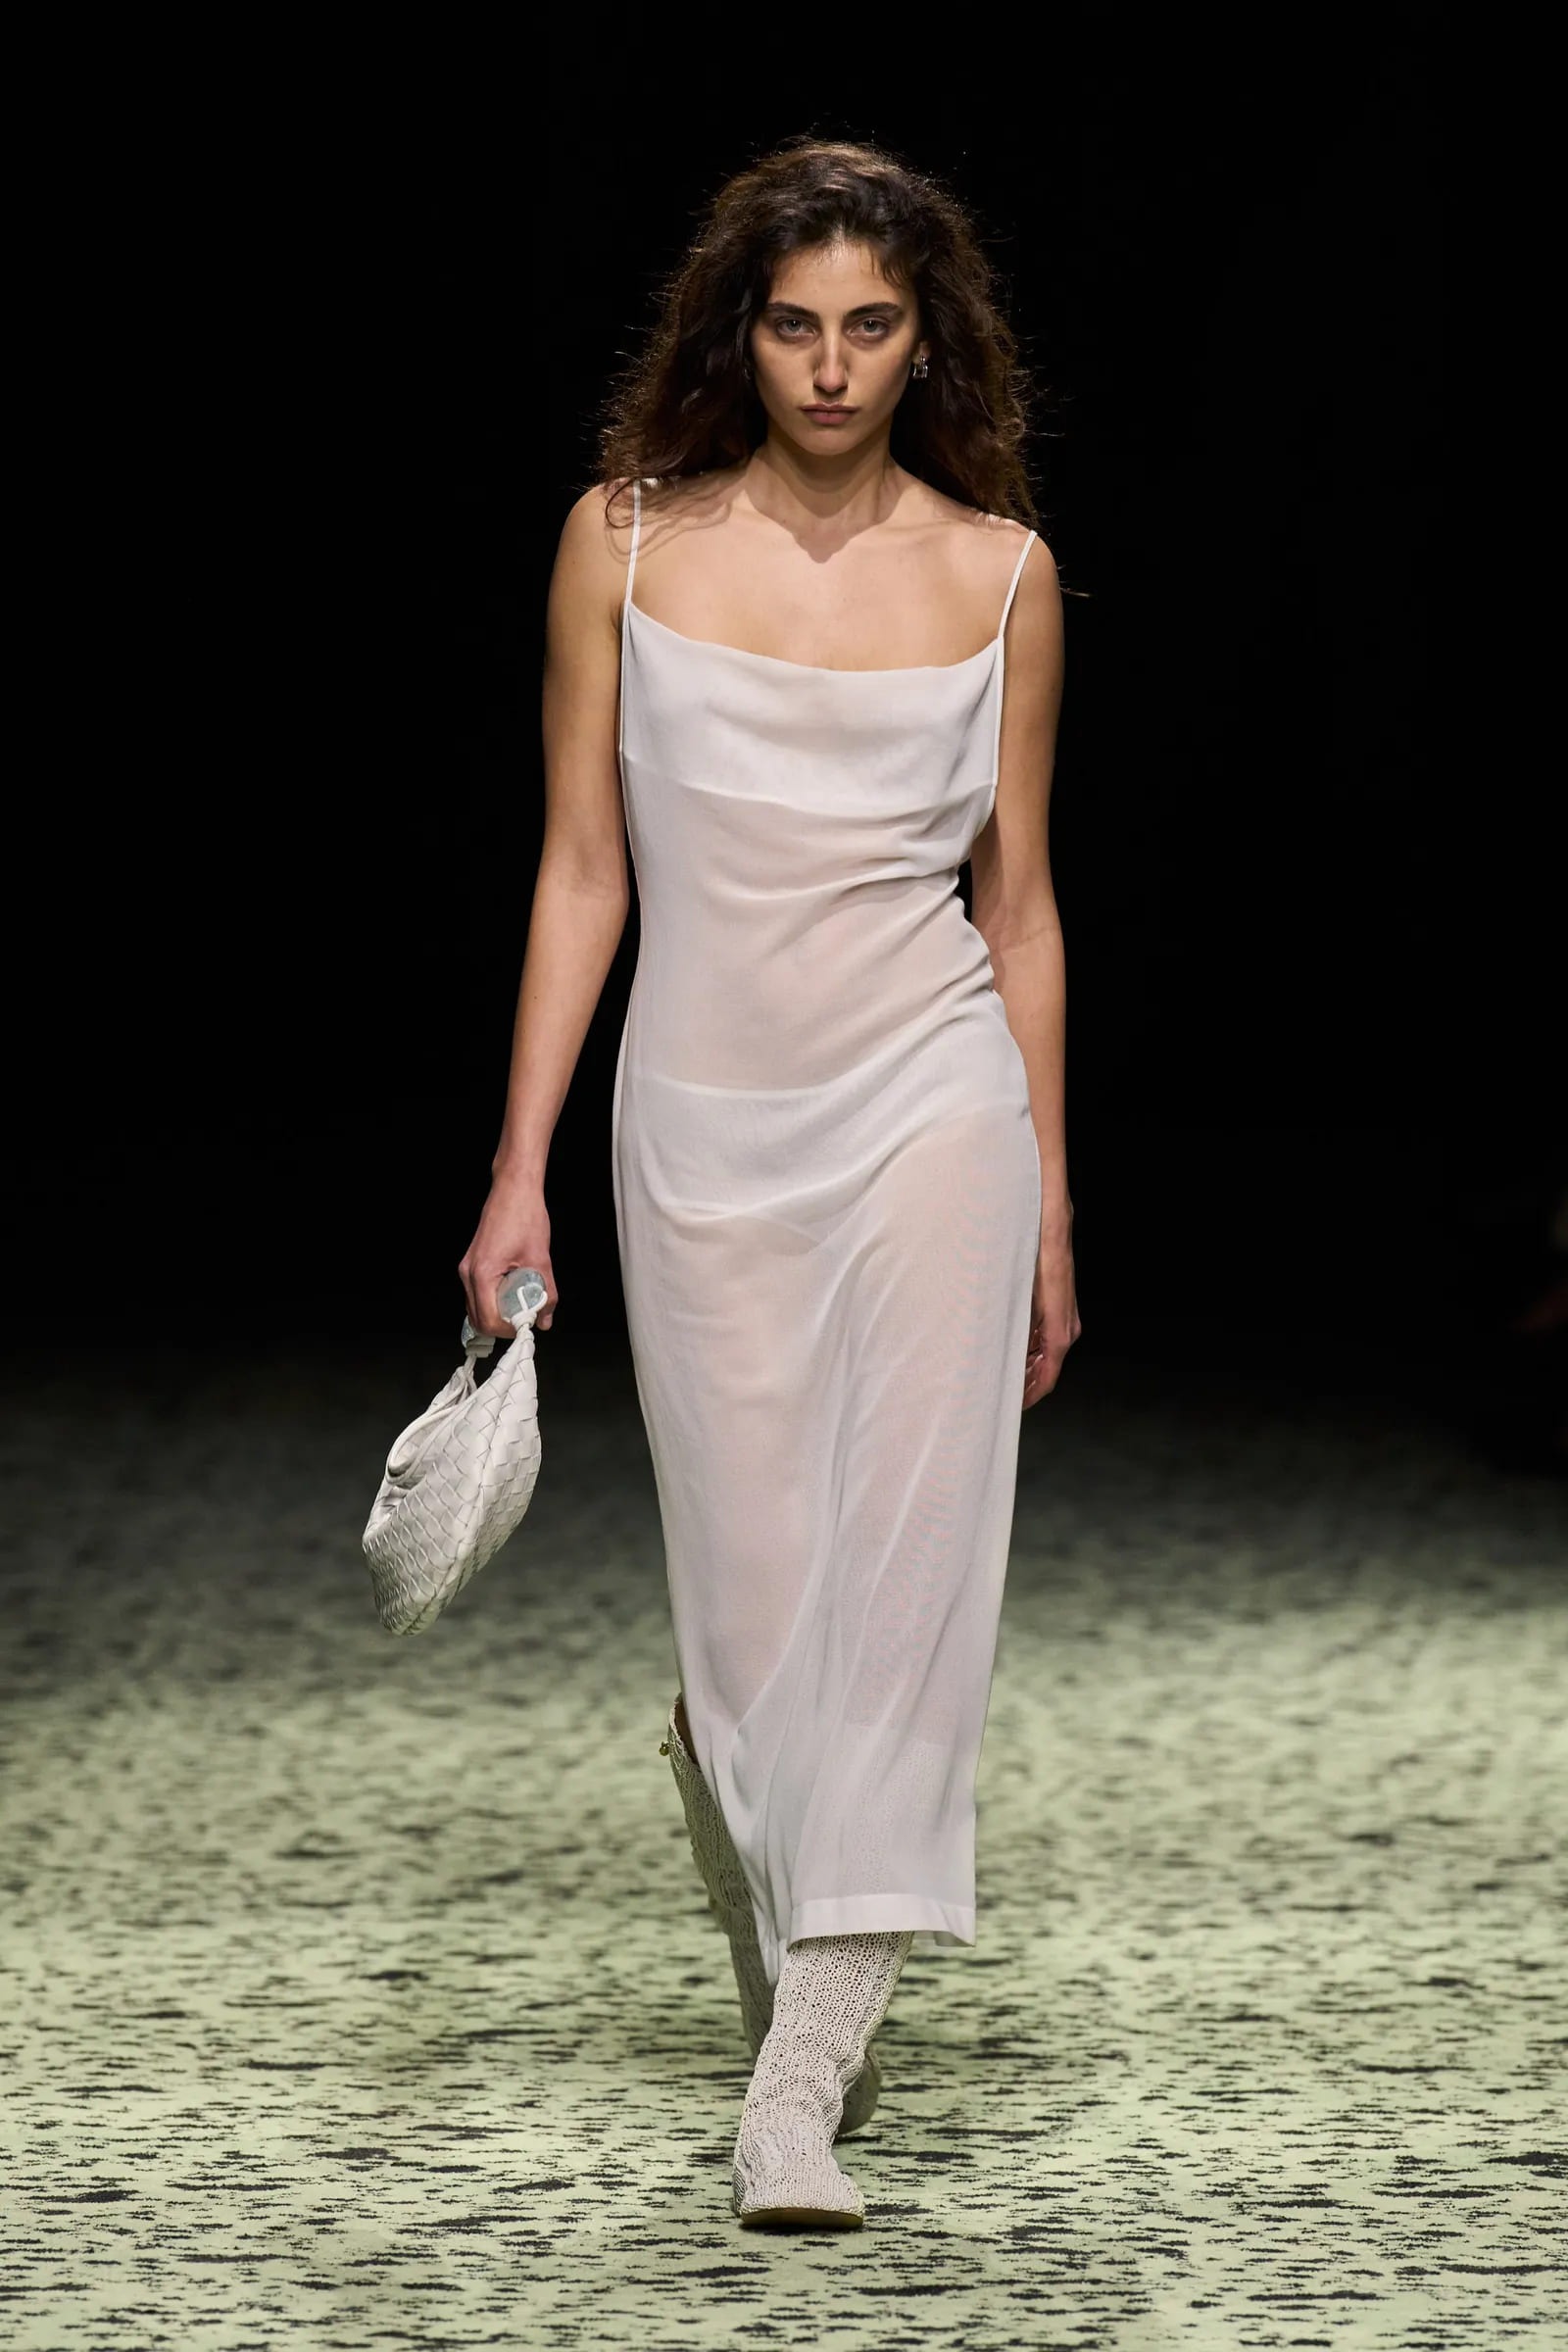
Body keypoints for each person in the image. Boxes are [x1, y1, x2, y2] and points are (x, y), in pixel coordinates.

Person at [459, 136, 1079, 2229]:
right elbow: (580, 871)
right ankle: (766, 1881)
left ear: (925, 344)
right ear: (740, 333)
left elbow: (1017, 909)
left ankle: (792, 2094)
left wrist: (1050, 1194)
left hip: (932, 1106)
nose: (829, 366)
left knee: (905, 1590)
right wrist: (517, 1172)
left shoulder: (1002, 575)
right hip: (704, 1125)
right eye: (796, 324)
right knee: (749, 1603)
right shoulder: (620, 544)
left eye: (870, 327)